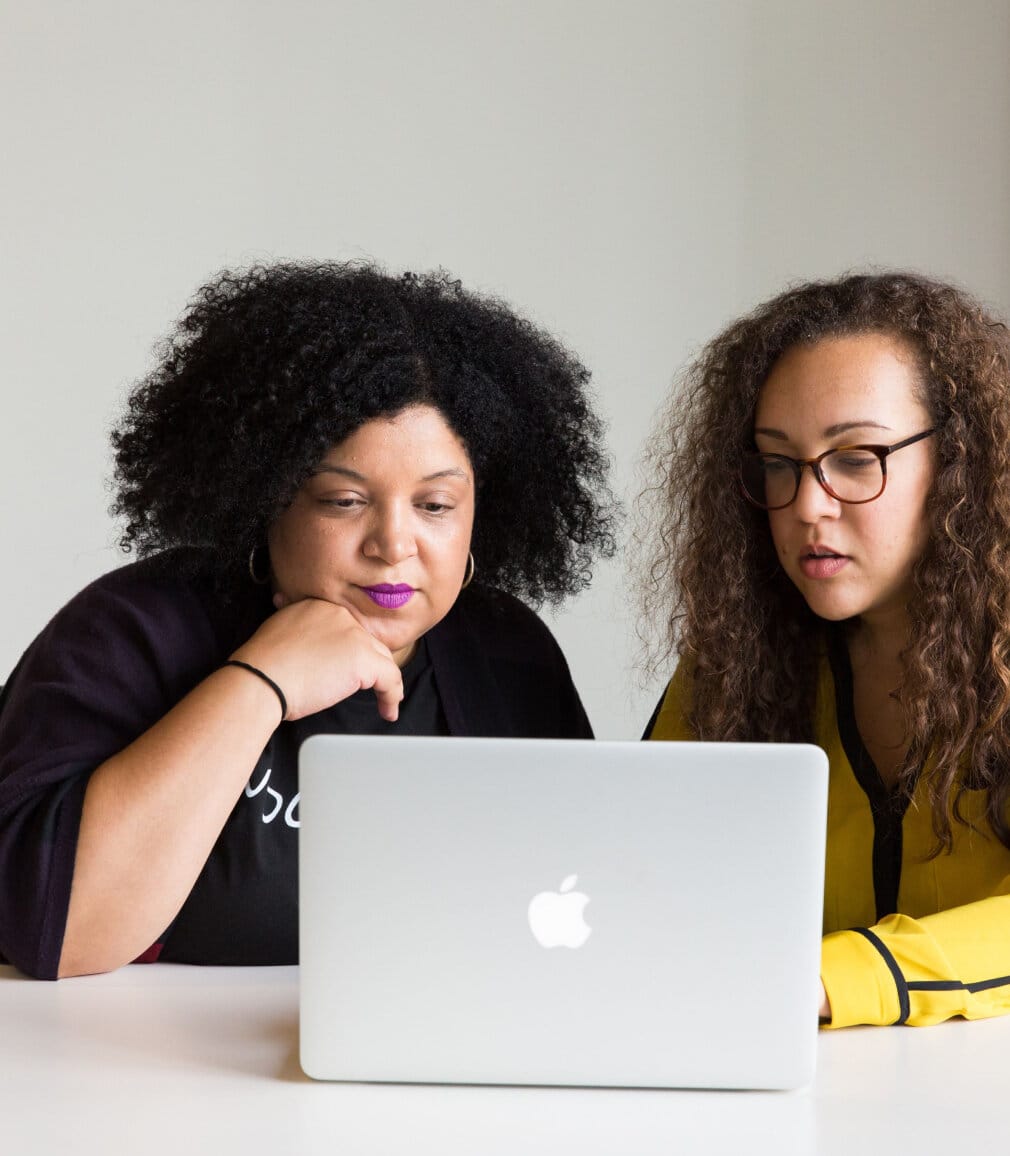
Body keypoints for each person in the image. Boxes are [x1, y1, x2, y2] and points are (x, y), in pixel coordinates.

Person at [0, 261, 616, 980]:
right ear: (266, 496)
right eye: (343, 501)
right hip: (154, 1072)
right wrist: (260, 681)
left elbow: (584, 903)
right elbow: (48, 931)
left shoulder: (508, 654)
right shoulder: (134, 630)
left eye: (436, 506)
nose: (393, 544)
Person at [643, 271, 1010, 1028]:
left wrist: (831, 977)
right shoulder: (737, 660)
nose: (808, 505)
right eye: (779, 463)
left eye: (855, 457)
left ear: (962, 463)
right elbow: (641, 878)